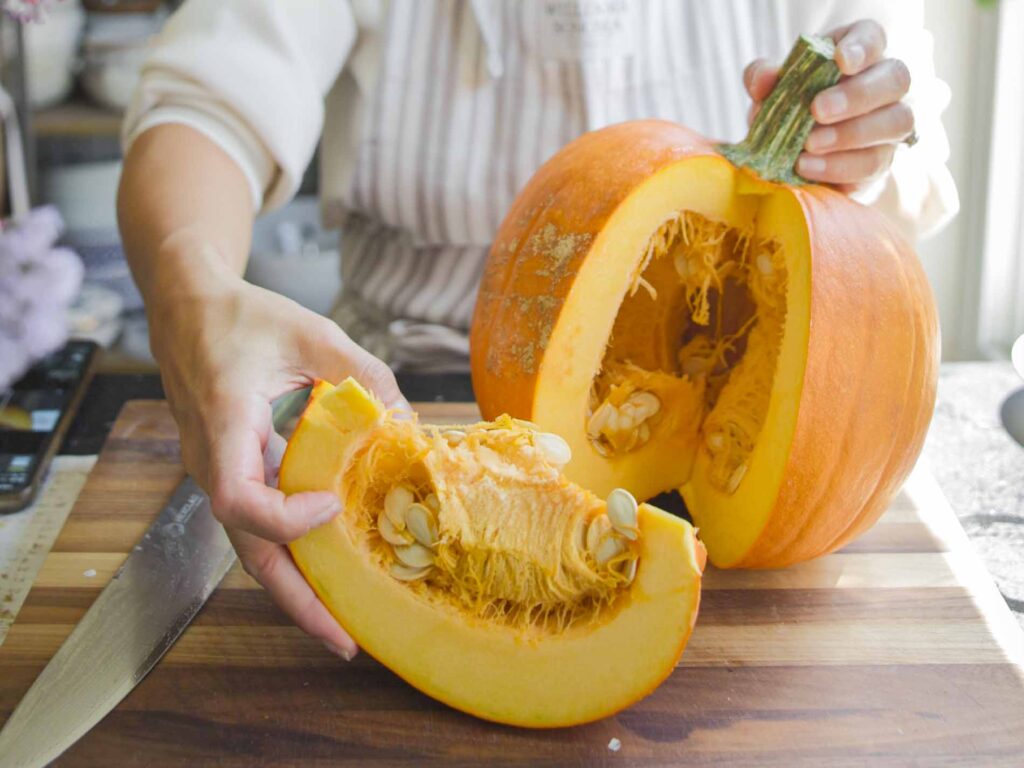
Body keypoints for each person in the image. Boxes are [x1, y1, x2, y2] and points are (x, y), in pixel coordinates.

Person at [117, 0, 958, 660]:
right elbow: (209, 103)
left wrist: (868, 129)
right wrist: (195, 292)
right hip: (399, 382)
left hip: (794, 433)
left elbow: (909, 141)